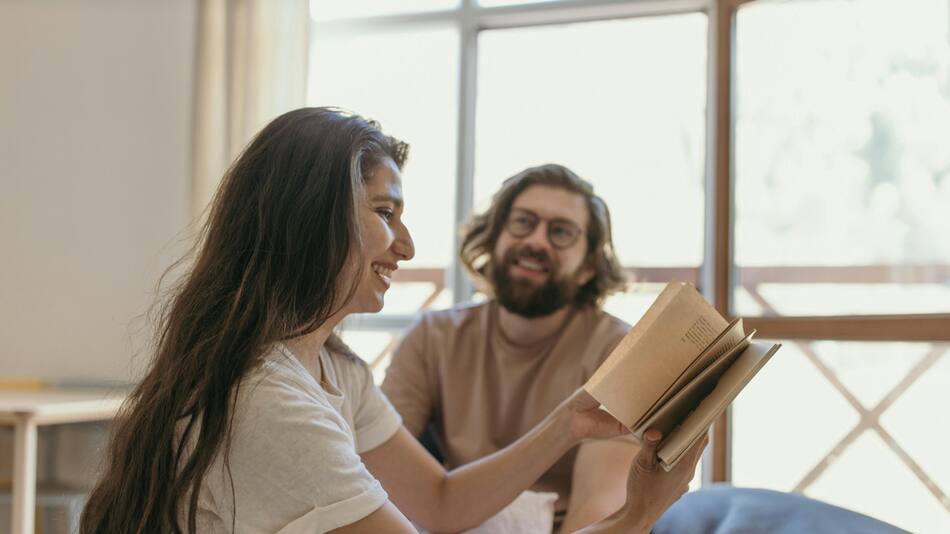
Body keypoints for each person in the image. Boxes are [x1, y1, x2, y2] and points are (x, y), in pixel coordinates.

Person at [80, 108, 704, 534]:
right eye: (385, 212)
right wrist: (637, 517)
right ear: (312, 220)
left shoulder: (336, 370)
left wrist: (566, 423)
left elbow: (439, 502)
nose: (406, 246)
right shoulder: (272, 404)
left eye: (561, 232)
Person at [382, 164, 638, 531]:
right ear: (493, 239)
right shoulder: (432, 338)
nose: (537, 242)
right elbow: (380, 475)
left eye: (561, 232)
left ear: (588, 267)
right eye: (522, 222)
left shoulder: (619, 353)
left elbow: (599, 510)